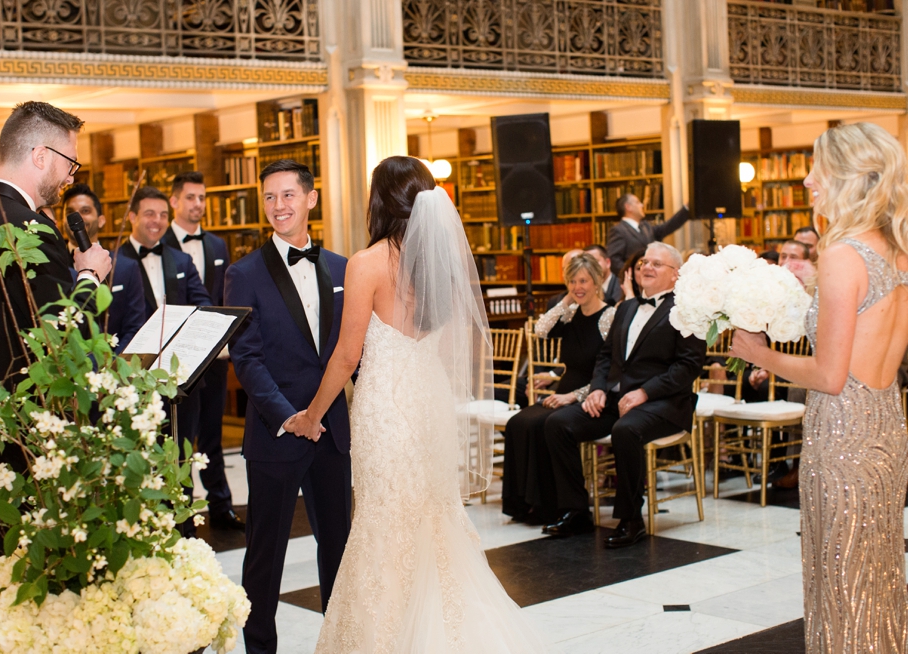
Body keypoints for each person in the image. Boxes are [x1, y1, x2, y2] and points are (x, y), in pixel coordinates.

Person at [288, 156, 547, 651]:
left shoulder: (368, 262)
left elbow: (347, 355)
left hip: (386, 406)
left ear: (379, 200)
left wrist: (312, 414)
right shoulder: (439, 266)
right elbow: (450, 348)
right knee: (432, 516)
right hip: (428, 401)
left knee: (384, 518)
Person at [731, 122, 908, 653]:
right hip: (887, 424)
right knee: (876, 578)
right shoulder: (899, 250)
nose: (808, 181)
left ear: (851, 178)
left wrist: (760, 354)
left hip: (843, 431)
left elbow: (831, 376)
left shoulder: (842, 255)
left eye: (818, 170)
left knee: (840, 578)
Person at [0, 101, 112, 589]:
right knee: (43, 591)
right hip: (31, 446)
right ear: (40, 154)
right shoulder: (28, 229)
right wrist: (90, 277)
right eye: (69, 163)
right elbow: (59, 340)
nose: (70, 177)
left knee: (2, 578)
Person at [224, 160, 352, 654]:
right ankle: (260, 648)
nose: (279, 206)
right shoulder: (243, 273)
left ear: (310, 199)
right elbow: (247, 357)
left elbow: (350, 350)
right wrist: (288, 416)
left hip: (333, 432)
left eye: (288, 195)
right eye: (270, 197)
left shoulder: (341, 267)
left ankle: (341, 640)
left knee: (339, 548)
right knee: (265, 555)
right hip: (277, 433)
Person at [543, 242, 706, 547]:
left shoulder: (687, 310)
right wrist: (598, 390)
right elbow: (606, 356)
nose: (647, 267)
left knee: (626, 429)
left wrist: (645, 392)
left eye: (657, 264)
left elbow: (689, 366)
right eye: (644, 261)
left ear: (676, 275)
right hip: (616, 400)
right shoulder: (627, 307)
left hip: (664, 403)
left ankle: (631, 519)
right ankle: (576, 510)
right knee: (557, 423)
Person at [120, 186, 212, 536]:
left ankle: (184, 533)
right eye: (148, 214)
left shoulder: (181, 261)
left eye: (162, 214)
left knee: (182, 460)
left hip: (182, 382)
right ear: (131, 216)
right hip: (135, 384)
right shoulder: (115, 261)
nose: (157, 221)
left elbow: (203, 306)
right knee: (142, 463)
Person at [502, 252, 615, 526]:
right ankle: (524, 504)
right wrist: (567, 300)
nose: (579, 287)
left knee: (546, 424)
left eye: (584, 281)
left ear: (598, 281)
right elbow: (540, 330)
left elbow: (611, 373)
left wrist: (572, 397)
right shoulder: (572, 312)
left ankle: (551, 506)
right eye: (573, 281)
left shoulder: (609, 317)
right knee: (519, 422)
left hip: (593, 395)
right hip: (564, 390)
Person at [161, 171, 243, 532]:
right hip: (175, 362)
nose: (198, 204)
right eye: (191, 197)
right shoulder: (158, 242)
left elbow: (222, 298)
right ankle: (181, 512)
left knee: (213, 434)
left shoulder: (217, 245)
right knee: (179, 439)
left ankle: (220, 505)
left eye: (202, 197)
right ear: (174, 201)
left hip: (213, 358)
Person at [61, 183, 147, 353]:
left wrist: (111, 365)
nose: (78, 217)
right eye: (71, 212)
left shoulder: (126, 267)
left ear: (101, 220)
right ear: (61, 221)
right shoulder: (55, 266)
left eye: (85, 211)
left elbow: (135, 327)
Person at [606, 194, 690, 275]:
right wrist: (632, 273)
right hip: (632, 282)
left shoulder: (645, 226)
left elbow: (667, 227)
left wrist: (686, 209)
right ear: (628, 207)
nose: (642, 205)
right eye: (637, 202)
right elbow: (614, 259)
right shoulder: (619, 230)